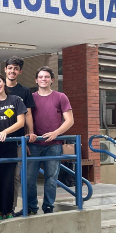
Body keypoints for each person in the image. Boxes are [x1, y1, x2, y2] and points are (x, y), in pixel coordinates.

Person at [27, 66, 74, 215]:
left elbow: (70, 120)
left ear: (52, 80)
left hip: (54, 145)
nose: (43, 79)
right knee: (29, 179)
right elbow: (25, 119)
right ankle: (31, 207)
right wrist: (28, 137)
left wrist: (56, 133)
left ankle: (48, 206)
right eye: (40, 77)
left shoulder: (61, 97)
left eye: (46, 77)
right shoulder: (31, 97)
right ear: (36, 80)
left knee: (51, 179)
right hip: (34, 144)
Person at [0, 72, 26, 220]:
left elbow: (21, 122)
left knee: (8, 179)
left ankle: (8, 211)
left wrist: (4, 133)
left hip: (10, 146)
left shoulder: (15, 100)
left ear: (3, 82)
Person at [3, 56, 36, 217]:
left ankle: (10, 209)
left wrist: (30, 133)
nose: (12, 71)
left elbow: (28, 115)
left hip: (17, 141)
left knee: (15, 177)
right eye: (10, 68)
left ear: (20, 71)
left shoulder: (24, 91)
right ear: (5, 69)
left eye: (16, 68)